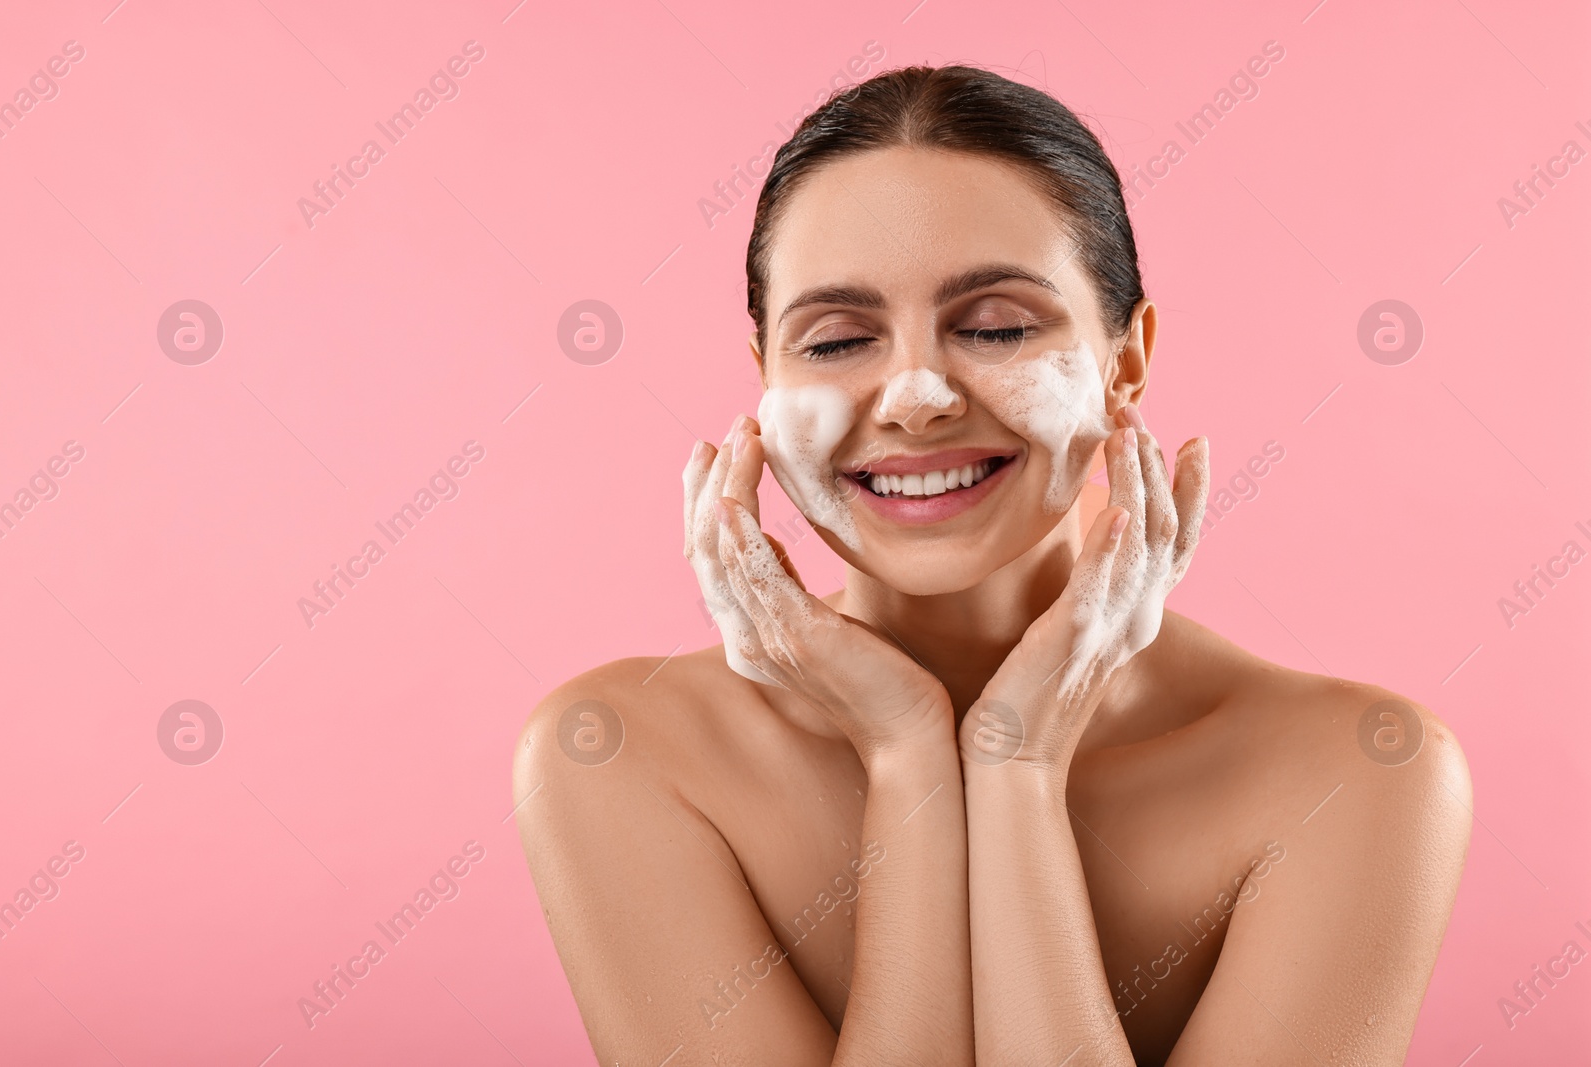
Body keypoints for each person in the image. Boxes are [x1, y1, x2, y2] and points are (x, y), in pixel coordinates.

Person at [513, 64, 1471, 1066]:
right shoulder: (619, 755)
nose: (916, 394)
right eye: (836, 339)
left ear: (1125, 358)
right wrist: (907, 755)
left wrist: (1016, 766)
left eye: (998, 327)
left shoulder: (1359, 769)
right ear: (764, 377)